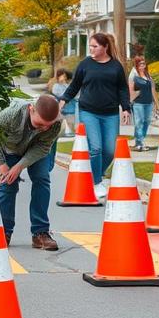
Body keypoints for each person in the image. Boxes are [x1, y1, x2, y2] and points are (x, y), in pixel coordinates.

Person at [58, 32, 131, 197]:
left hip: (111, 113)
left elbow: (122, 89)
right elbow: (74, 85)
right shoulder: (85, 64)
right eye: (90, 46)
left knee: (110, 150)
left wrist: (126, 108)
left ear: (105, 47)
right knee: (96, 148)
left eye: (95, 46)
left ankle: (96, 174)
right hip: (88, 111)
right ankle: (97, 182)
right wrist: (64, 100)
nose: (91, 49)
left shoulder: (116, 66)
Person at [0, 95, 63, 250]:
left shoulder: (55, 123)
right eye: (40, 124)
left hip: (36, 150)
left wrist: (19, 166)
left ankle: (40, 233)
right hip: (10, 149)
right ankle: (3, 231)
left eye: (47, 125)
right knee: (8, 184)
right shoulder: (11, 113)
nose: (44, 128)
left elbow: (43, 147)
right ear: (31, 109)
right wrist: (2, 165)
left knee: (42, 179)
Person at [128, 58, 159, 151]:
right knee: (139, 122)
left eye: (144, 64)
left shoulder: (148, 76)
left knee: (146, 122)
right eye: (140, 64)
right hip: (138, 104)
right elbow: (130, 90)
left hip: (149, 103)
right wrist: (134, 96)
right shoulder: (134, 76)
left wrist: (156, 104)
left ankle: (138, 142)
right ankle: (140, 143)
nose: (142, 66)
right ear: (136, 66)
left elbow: (153, 90)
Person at [50, 69, 76, 137]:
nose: (64, 77)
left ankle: (73, 140)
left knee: (72, 126)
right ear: (58, 76)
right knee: (59, 127)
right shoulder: (56, 86)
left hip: (70, 109)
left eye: (65, 76)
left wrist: (65, 84)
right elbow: (62, 96)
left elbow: (72, 93)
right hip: (61, 110)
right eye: (63, 76)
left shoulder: (67, 85)